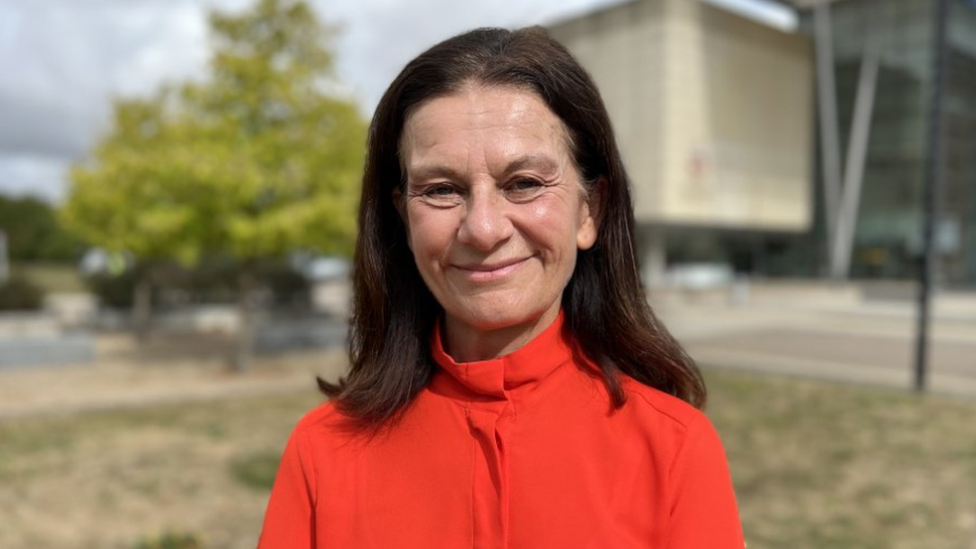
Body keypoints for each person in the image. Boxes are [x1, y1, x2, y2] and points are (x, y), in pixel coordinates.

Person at [257, 26, 744, 549]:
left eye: (525, 183)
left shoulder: (674, 450)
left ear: (589, 210)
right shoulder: (323, 451)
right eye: (441, 190)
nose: (484, 228)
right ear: (403, 219)